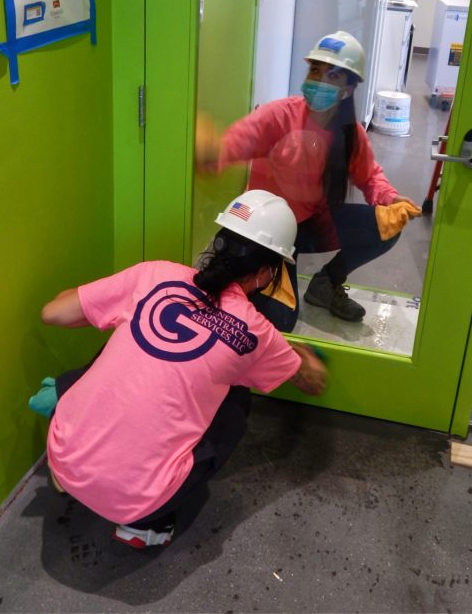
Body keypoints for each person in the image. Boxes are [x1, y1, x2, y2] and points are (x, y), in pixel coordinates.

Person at [30, 190, 326, 550]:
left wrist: (95, 300)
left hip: (63, 460)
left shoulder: (155, 273)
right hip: (134, 497)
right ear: (265, 273)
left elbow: (52, 312)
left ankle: (78, 455)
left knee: (129, 332)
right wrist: (305, 354)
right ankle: (146, 525)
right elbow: (310, 381)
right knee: (235, 398)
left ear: (217, 243)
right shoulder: (254, 333)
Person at [198, 31, 420, 327]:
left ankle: (326, 285)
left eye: (333, 75)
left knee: (388, 227)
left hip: (310, 225)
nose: (319, 81)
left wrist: (390, 198)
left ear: (349, 88)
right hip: (267, 231)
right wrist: (214, 150)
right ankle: (245, 275)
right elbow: (240, 140)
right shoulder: (279, 116)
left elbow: (370, 177)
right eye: (315, 70)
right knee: (281, 320)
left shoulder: (351, 135)